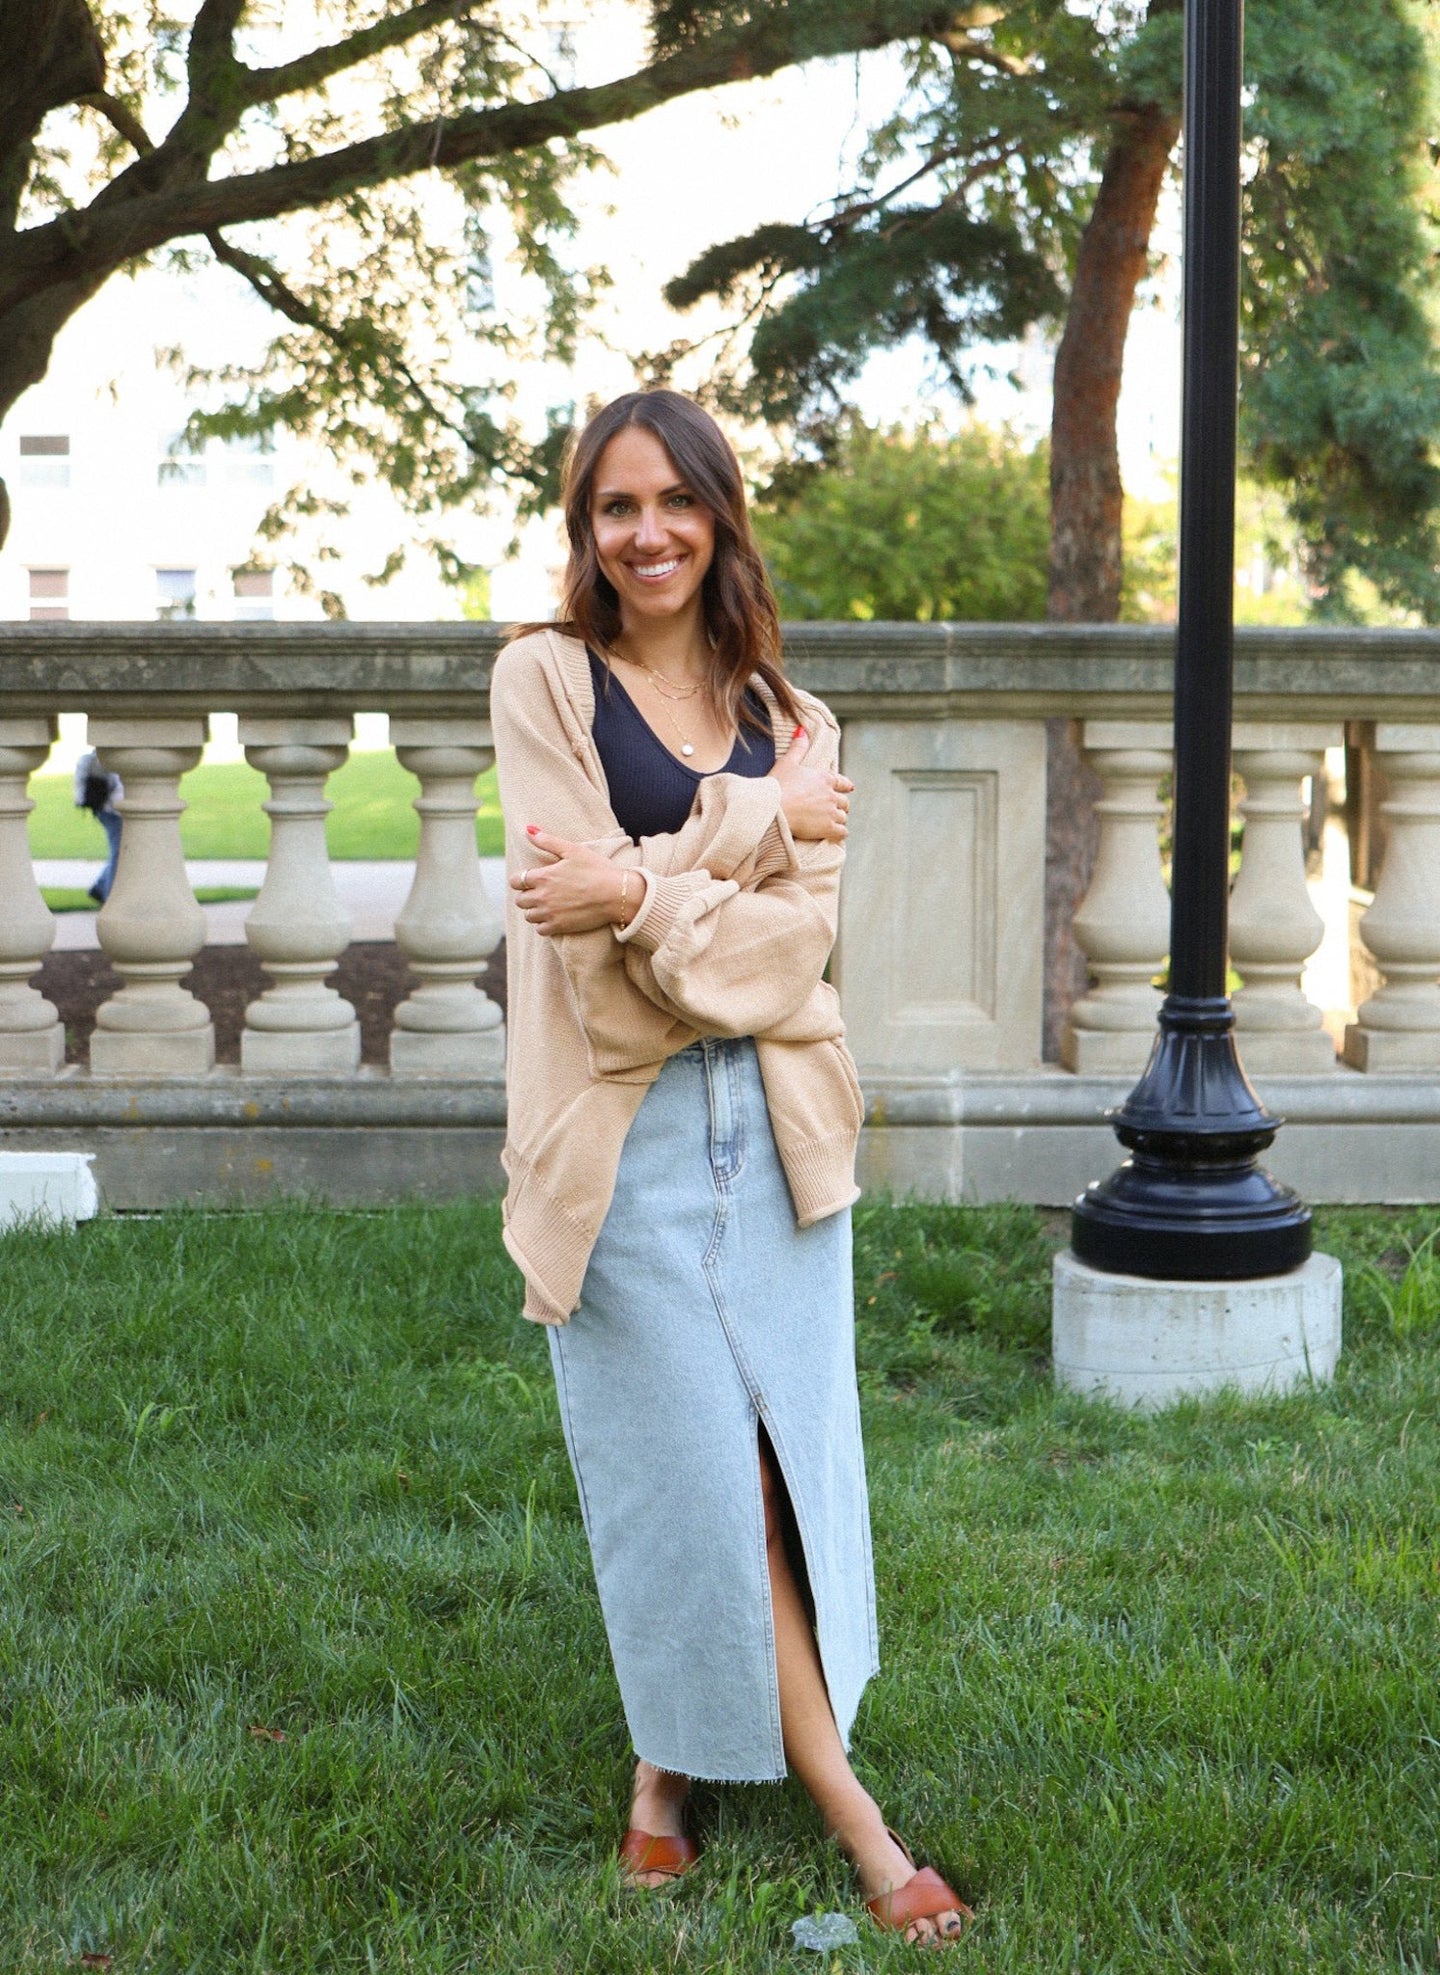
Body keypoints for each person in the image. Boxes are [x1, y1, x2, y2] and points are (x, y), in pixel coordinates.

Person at [489, 389, 972, 1945]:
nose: (646, 534)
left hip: (774, 1136)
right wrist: (746, 833)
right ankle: (861, 1818)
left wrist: (634, 886)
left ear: (719, 512)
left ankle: (660, 1779)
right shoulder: (546, 681)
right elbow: (590, 966)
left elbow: (790, 957)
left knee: (772, 1467)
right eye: (614, 507)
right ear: (587, 526)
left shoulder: (798, 716)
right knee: (688, 1471)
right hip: (617, 1143)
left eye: (673, 502)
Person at [73, 747, 123, 903]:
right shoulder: (111, 759)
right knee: (119, 853)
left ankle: (101, 887)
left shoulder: (95, 758)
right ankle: (109, 895)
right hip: (113, 811)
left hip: (105, 809)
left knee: (121, 852)